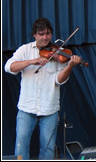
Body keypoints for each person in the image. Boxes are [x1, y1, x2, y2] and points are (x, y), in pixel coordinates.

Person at [4, 17, 81, 159]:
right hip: (26, 107)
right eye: (41, 34)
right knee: (21, 144)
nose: (45, 37)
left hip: (49, 108)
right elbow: (9, 67)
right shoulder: (25, 50)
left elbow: (59, 80)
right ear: (34, 35)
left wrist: (69, 66)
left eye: (47, 33)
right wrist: (32, 61)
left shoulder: (59, 53)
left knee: (48, 148)